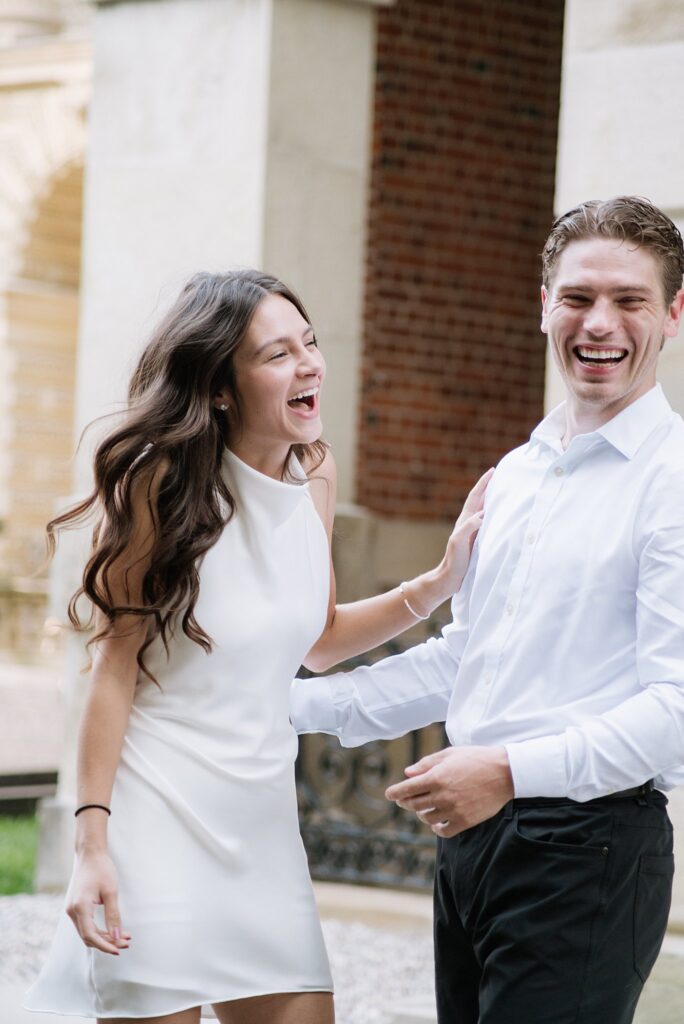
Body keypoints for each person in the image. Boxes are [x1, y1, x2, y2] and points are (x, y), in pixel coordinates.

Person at [24, 269, 488, 1024]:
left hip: (261, 827)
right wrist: (92, 845)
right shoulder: (159, 485)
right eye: (277, 355)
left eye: (308, 343)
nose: (308, 364)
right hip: (155, 816)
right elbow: (112, 673)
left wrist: (438, 582)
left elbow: (321, 641)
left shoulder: (316, 477)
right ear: (220, 388)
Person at [291, 196, 684, 1024]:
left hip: (590, 847)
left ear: (674, 315)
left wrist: (507, 771)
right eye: (577, 297)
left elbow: (677, 709)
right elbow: (467, 655)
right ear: (545, 306)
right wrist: (284, 708)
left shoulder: (674, 481)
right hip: (470, 843)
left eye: (630, 300)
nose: (599, 323)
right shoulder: (516, 473)